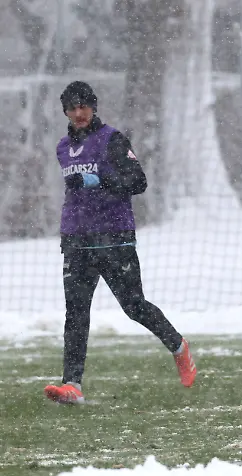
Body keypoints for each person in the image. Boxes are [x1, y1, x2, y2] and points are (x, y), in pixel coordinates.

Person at [44, 81, 197, 405]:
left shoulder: (111, 140)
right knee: (76, 313)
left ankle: (178, 347)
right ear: (66, 112)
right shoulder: (62, 147)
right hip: (77, 241)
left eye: (84, 106)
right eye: (72, 108)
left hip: (114, 239)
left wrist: (99, 181)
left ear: (94, 107)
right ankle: (72, 384)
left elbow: (137, 182)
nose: (79, 112)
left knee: (134, 307)